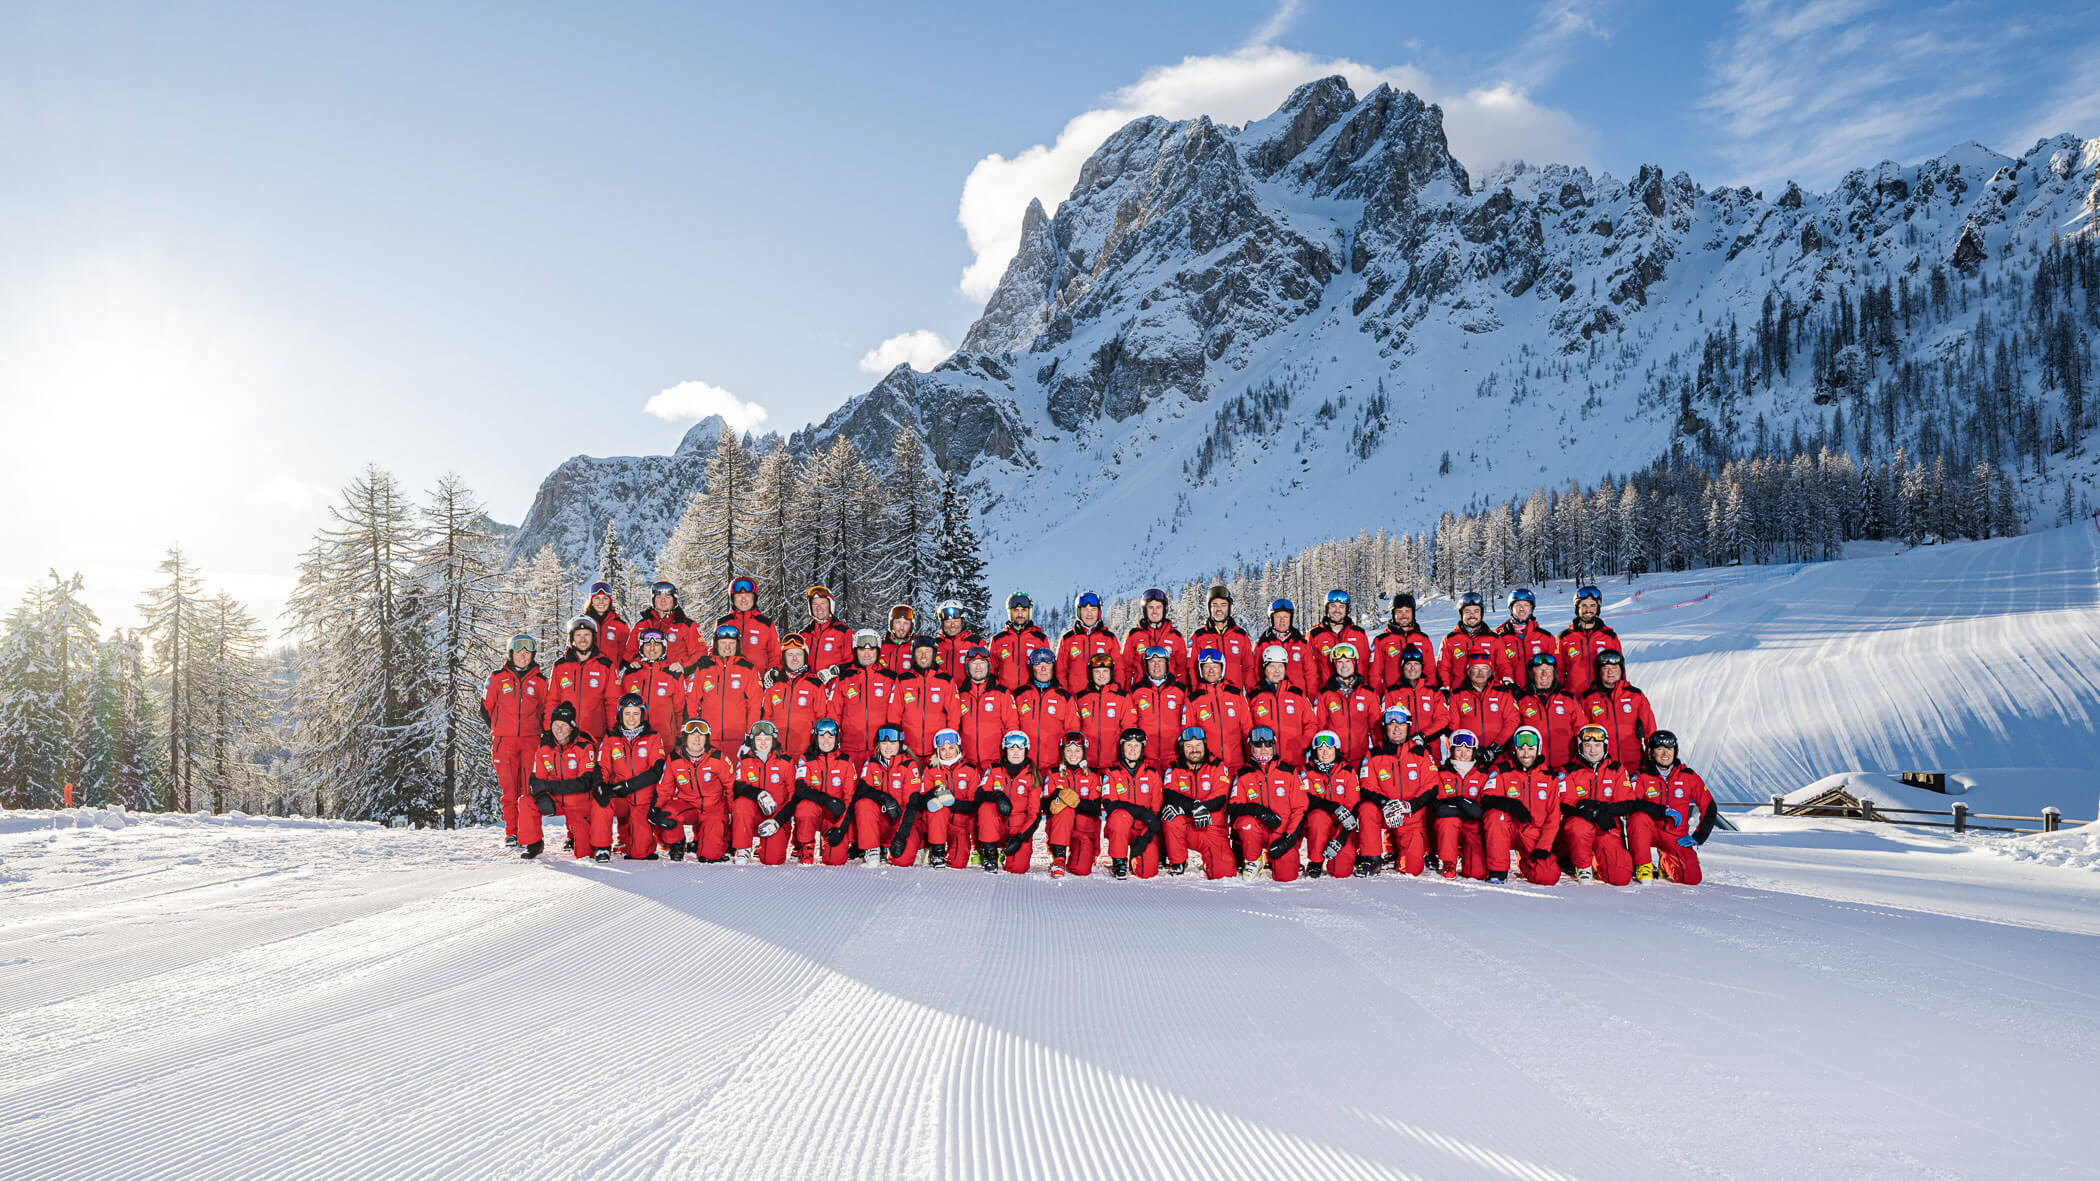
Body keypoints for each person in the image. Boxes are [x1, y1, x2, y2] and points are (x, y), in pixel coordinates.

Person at [482, 632, 548, 849]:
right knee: (509, 790)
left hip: (531, 741)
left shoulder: (540, 681)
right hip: (504, 742)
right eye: (518, 650)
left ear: (533, 655)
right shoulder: (497, 677)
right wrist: (501, 728)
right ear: (510, 654)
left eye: (527, 651)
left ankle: (528, 834)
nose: (523, 655)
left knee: (528, 790)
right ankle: (512, 832)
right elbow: (486, 707)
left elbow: (546, 709)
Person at [1555, 724, 1643, 885]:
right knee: (1578, 827)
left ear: (1605, 746)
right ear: (1580, 746)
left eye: (1597, 745)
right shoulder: (1568, 770)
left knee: (1619, 878)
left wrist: (1602, 810)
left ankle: (1599, 859)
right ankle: (1582, 866)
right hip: (1580, 823)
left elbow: (1627, 802)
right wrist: (1594, 814)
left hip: (1607, 825)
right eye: (1587, 745)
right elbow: (1566, 803)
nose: (1593, 750)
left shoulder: (1616, 769)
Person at [1356, 707, 1440, 875]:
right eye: (1391, 724)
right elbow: (1366, 784)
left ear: (1408, 726)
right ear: (1385, 727)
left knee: (1412, 869)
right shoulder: (1373, 754)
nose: (1396, 728)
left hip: (1410, 814)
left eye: (1401, 724)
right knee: (1366, 808)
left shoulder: (1421, 753)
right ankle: (1372, 858)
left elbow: (1431, 785)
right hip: (1384, 812)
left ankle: (1399, 849)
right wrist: (1385, 803)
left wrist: (1409, 805)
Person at [1227, 726, 1307, 881]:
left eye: (1268, 745)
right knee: (1246, 823)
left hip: (1281, 833)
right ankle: (1253, 859)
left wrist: (1288, 840)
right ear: (1251, 746)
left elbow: (1300, 809)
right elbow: (1233, 806)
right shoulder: (1243, 774)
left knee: (1287, 876)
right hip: (1257, 831)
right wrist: (1259, 811)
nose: (1263, 749)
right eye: (1258, 745)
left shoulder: (1289, 772)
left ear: (1274, 745)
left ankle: (1275, 859)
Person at [595, 692, 668, 862]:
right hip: (620, 797)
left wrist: (628, 785)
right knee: (600, 801)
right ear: (620, 714)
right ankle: (602, 847)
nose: (631, 718)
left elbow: (656, 771)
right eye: (627, 713)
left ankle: (637, 839)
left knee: (640, 852)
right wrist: (600, 784)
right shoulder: (611, 738)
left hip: (643, 799)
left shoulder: (653, 737)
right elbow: (602, 765)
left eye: (636, 713)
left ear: (642, 714)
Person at [1485, 726, 1562, 885]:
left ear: (1538, 749)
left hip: (1532, 832)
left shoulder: (1550, 777)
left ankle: (1525, 862)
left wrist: (1544, 847)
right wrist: (1510, 804)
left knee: (1548, 876)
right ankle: (1498, 871)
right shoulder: (1501, 770)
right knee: (1495, 816)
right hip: (1508, 828)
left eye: (1531, 748)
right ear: (1515, 750)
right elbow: (1487, 797)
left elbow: (1553, 818)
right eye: (1521, 748)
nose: (1526, 753)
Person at [520, 701, 597, 859]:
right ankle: (534, 844)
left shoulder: (584, 746)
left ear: (572, 726)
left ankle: (578, 835)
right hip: (556, 800)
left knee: (585, 854)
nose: (559, 729)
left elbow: (584, 783)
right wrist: (543, 794)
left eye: (563, 725)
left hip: (579, 803)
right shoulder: (544, 747)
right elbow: (537, 780)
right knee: (526, 801)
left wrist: (550, 786)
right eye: (555, 724)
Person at [1159, 726, 1236, 878]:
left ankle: (1212, 858)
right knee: (1171, 816)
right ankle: (1178, 861)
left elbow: (1219, 799)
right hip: (1186, 826)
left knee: (1225, 873)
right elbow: (1170, 794)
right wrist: (1194, 807)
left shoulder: (1218, 766)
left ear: (1205, 745)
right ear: (1182, 748)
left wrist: (1189, 807)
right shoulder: (1173, 767)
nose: (1194, 750)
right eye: (1189, 746)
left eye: (1198, 745)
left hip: (1210, 827)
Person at [1637, 731, 1713, 885]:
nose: (1665, 754)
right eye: (1659, 749)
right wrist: (1661, 810)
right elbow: (1631, 803)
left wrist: (1698, 837)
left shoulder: (1688, 776)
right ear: (1652, 752)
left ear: (1675, 751)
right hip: (1648, 831)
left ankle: (1665, 863)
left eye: (1669, 749)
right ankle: (1642, 864)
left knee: (1692, 878)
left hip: (1674, 835)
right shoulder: (1641, 776)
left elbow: (1709, 806)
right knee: (1638, 818)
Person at [652, 718, 732, 862]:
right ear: (685, 737)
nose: (697, 738)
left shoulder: (718, 757)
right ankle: (677, 843)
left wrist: (733, 812)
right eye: (692, 735)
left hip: (713, 809)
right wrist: (656, 810)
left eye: (701, 735)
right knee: (667, 812)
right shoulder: (674, 758)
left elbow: (731, 787)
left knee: (709, 856)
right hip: (688, 806)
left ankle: (714, 840)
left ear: (706, 739)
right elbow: (665, 789)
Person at [848, 724, 923, 867]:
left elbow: (912, 804)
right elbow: (862, 790)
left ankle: (915, 845)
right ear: (878, 744)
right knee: (863, 804)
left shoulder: (909, 765)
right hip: (881, 820)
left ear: (900, 744)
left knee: (902, 861)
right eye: (884, 743)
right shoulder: (872, 762)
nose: (888, 748)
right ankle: (872, 849)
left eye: (893, 743)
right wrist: (884, 797)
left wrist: (901, 836)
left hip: (901, 822)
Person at [789, 718, 856, 866]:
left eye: (830, 737)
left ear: (837, 738)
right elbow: (801, 788)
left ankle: (829, 844)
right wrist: (825, 799)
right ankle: (805, 845)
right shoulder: (806, 759)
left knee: (835, 860)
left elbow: (850, 798)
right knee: (805, 807)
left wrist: (841, 829)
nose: (826, 741)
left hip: (834, 816)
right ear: (815, 738)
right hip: (813, 811)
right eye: (822, 737)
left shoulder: (846, 761)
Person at [1099, 728, 1164, 879]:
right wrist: (1141, 811)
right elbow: (1110, 803)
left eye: (1137, 745)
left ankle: (1139, 856)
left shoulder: (1152, 774)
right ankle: (1119, 860)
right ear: (1122, 747)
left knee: (1147, 872)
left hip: (1143, 828)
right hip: (1120, 827)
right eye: (1129, 745)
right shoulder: (1112, 772)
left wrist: (1145, 837)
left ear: (1142, 748)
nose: (1132, 749)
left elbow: (1156, 810)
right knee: (1119, 816)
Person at [729, 720, 796, 865]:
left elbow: (794, 796)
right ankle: (743, 847)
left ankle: (765, 846)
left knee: (773, 860)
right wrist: (758, 794)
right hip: (752, 814)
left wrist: (778, 821)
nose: (763, 743)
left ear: (774, 740)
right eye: (759, 739)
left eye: (767, 739)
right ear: (752, 741)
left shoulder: (786, 762)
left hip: (775, 815)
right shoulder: (745, 760)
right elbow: (738, 786)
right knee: (741, 803)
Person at [1428, 730, 1493, 880]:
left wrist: (1457, 804)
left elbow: (1483, 809)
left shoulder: (1483, 775)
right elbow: (1440, 807)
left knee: (1476, 873)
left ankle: (1468, 856)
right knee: (1447, 821)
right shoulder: (1442, 773)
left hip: (1473, 828)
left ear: (1474, 752)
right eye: (1459, 750)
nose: (1463, 755)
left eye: (1468, 750)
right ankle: (1449, 861)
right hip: (1451, 823)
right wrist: (1467, 807)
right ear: (1451, 751)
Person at [828, 629, 901, 761]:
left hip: (881, 750)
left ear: (878, 651)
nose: (867, 654)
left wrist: (892, 743)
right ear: (855, 651)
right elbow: (833, 713)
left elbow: (896, 713)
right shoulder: (844, 678)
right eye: (862, 649)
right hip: (849, 749)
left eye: (871, 649)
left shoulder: (890, 678)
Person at [686, 625, 762, 750]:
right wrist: (694, 729)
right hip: (708, 737)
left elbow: (755, 704)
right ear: (716, 644)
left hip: (738, 739)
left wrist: (751, 734)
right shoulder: (705, 667)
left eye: (731, 643)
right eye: (723, 643)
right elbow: (692, 700)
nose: (727, 647)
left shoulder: (748, 668)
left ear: (737, 645)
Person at [976, 731, 1043, 873]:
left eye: (1020, 748)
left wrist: (1020, 837)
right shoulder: (994, 770)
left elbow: (1035, 814)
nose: (1015, 752)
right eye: (1011, 748)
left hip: (1018, 827)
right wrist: (997, 795)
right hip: (996, 824)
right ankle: (990, 854)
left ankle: (1010, 850)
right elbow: (979, 795)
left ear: (1026, 750)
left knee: (1018, 868)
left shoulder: (1033, 775)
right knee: (986, 807)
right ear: (1005, 750)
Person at [1299, 730, 1362, 879]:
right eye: (1320, 749)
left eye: (1329, 749)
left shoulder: (1347, 771)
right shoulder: (1306, 771)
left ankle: (1348, 853)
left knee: (1341, 871)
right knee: (1318, 816)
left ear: (1336, 750)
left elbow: (1353, 807)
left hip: (1341, 827)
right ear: (1315, 751)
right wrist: (1335, 807)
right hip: (1317, 826)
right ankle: (1315, 861)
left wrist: (1339, 840)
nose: (1325, 753)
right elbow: (1306, 798)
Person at [1582, 649, 1657, 771]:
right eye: (1606, 668)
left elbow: (1650, 730)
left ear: (1622, 670)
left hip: (1634, 764)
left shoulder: (1635, 696)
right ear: (1599, 671)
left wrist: (1650, 761)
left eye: (1615, 667)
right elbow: (1581, 733)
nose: (1610, 672)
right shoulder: (1587, 699)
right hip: (1603, 766)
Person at [1042, 731, 1104, 876]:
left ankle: (1078, 854)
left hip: (1084, 831)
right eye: (1068, 750)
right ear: (1063, 752)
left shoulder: (1093, 775)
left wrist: (1076, 802)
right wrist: (1056, 797)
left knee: (1081, 869)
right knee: (1063, 807)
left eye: (1077, 750)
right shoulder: (1053, 774)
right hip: (1059, 831)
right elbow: (1044, 805)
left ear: (1084, 752)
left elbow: (1096, 808)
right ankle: (1059, 857)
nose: (1073, 754)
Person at [548, 615, 620, 740]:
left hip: (595, 736)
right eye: (578, 635)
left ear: (593, 637)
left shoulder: (605, 665)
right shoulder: (561, 665)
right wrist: (549, 731)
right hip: (566, 736)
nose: (583, 639)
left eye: (587, 635)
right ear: (572, 638)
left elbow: (612, 701)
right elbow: (552, 701)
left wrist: (614, 731)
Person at [1247, 645, 1317, 773]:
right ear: (1265, 668)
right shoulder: (1254, 696)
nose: (1277, 670)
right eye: (1272, 666)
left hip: (1294, 762)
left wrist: (1302, 744)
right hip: (1264, 765)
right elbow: (1247, 727)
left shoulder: (1297, 694)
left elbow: (1311, 724)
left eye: (1280, 666)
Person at [1184, 646, 1251, 773]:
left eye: (1215, 666)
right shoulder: (1193, 700)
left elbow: (1247, 728)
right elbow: (1189, 735)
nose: (1211, 671)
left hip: (1236, 764)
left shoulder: (1235, 695)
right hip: (1209, 767)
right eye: (1206, 666)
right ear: (1201, 669)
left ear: (1222, 668)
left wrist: (1250, 760)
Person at [918, 729, 978, 869]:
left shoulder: (970, 770)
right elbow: (921, 799)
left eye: (951, 748)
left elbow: (974, 804)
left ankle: (952, 849)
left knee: (958, 863)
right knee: (937, 807)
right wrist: (934, 794)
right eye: (942, 749)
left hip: (959, 824)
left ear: (957, 747)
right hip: (936, 824)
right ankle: (937, 851)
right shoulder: (931, 769)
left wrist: (953, 804)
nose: (947, 753)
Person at [893, 637, 961, 755]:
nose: (923, 656)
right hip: (909, 749)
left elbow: (954, 715)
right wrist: (898, 744)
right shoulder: (903, 680)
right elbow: (894, 714)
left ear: (934, 654)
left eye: (927, 651)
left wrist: (947, 745)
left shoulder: (945, 680)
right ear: (913, 655)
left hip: (937, 749)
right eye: (919, 651)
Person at [1446, 651, 1518, 762]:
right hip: (1469, 756)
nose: (1480, 672)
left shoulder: (1502, 693)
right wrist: (1471, 750)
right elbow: (1452, 727)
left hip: (1499, 755)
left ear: (1490, 672)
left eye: (1484, 668)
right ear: (1468, 671)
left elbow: (1512, 721)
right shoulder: (1457, 695)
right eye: (1475, 668)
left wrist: (1495, 747)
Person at [1315, 642, 1380, 765]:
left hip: (1362, 759)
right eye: (1339, 662)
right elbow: (1320, 728)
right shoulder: (1325, 694)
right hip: (1335, 761)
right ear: (1334, 665)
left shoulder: (1368, 693)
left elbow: (1376, 729)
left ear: (1355, 663)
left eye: (1348, 661)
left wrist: (1379, 753)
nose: (1344, 666)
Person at [1512, 652, 1581, 769]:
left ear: (1554, 673)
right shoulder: (1521, 699)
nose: (1544, 673)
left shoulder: (1567, 698)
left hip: (1565, 766)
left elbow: (1580, 729)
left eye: (1548, 669)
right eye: (1539, 669)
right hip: (1533, 769)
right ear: (1532, 673)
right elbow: (1513, 732)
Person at [762, 635, 827, 758]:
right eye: (790, 654)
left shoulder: (815, 684)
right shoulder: (774, 684)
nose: (795, 658)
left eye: (798, 654)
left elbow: (822, 718)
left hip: (805, 753)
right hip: (777, 754)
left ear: (805, 657)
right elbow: (766, 717)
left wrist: (816, 747)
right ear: (784, 658)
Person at [1125, 645, 1188, 771]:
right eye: (1152, 662)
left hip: (1174, 756)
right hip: (1146, 756)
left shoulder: (1180, 689)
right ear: (1146, 665)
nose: (1156, 666)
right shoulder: (1136, 691)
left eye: (1160, 661)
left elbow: (1187, 722)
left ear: (1167, 663)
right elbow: (1130, 723)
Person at [954, 646, 1018, 768]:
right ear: (967, 667)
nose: (978, 667)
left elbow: (1012, 726)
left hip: (995, 763)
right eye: (974, 663)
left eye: (982, 662)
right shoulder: (960, 694)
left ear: (988, 666)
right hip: (966, 764)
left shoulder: (1002, 693)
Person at [1011, 647, 1075, 767]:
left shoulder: (1065, 697)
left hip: (1054, 765)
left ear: (1053, 667)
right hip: (1025, 765)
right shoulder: (1019, 695)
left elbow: (1072, 732)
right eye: (1038, 664)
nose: (1043, 669)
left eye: (1048, 664)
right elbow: (1011, 727)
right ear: (1031, 668)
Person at [619, 628, 687, 738]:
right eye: (647, 644)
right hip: (635, 741)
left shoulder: (673, 674)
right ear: (641, 647)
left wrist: (680, 737)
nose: (652, 648)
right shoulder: (630, 674)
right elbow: (620, 708)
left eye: (657, 644)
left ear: (663, 647)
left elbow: (680, 710)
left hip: (665, 740)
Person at [1185, 584, 1257, 689]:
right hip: (1208, 699)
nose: (1219, 609)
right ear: (1209, 608)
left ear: (1229, 607)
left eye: (1223, 604)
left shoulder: (1240, 636)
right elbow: (1190, 667)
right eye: (1215, 605)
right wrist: (1195, 693)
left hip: (1234, 697)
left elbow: (1249, 668)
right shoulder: (1198, 637)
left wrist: (1252, 694)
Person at [1557, 584, 1621, 697]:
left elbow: (1619, 671)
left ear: (1598, 608)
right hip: (1575, 702)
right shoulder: (1564, 638)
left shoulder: (1610, 637)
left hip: (1602, 701)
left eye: (1592, 605)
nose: (1588, 610)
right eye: (1584, 606)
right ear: (1577, 608)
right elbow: (1558, 673)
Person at [1377, 646, 1447, 748]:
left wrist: (1423, 736)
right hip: (1401, 749)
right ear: (1402, 667)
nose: (1412, 668)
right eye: (1408, 664)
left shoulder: (1433, 692)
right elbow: (1385, 721)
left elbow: (1443, 720)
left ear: (1422, 667)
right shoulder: (1392, 692)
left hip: (1430, 748)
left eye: (1416, 664)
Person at [627, 580, 703, 673]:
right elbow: (630, 652)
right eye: (659, 597)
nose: (663, 600)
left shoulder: (687, 626)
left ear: (674, 600)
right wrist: (635, 661)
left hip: (674, 679)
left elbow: (700, 653)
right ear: (653, 600)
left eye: (667, 597)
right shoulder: (642, 625)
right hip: (646, 679)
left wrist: (683, 665)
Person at [1071, 653, 1129, 771]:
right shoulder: (1081, 698)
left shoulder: (1122, 697)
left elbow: (1128, 729)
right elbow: (1074, 728)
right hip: (1086, 763)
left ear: (1111, 673)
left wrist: (1123, 758)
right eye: (1097, 671)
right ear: (1091, 674)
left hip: (1113, 763)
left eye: (1105, 671)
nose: (1101, 675)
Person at [1369, 592, 1438, 691]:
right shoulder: (1382, 641)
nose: (1403, 615)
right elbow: (1375, 674)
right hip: (1393, 697)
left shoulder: (1423, 639)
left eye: (1407, 611)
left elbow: (1430, 670)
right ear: (1393, 614)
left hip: (1418, 698)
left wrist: (1432, 695)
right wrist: (1376, 700)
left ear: (1413, 613)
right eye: (1399, 611)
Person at [1120, 588, 1187, 687]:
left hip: (1169, 696)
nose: (1154, 612)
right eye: (1151, 607)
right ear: (1145, 610)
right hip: (1141, 696)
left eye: (1158, 607)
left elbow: (1182, 671)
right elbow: (1125, 669)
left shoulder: (1175, 637)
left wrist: (1181, 694)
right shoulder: (1134, 636)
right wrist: (1125, 696)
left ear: (1164, 609)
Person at [1307, 590, 1372, 689]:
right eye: (1333, 606)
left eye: (1341, 606)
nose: (1337, 610)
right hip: (1326, 694)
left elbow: (1366, 666)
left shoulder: (1358, 634)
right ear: (1327, 608)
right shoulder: (1315, 635)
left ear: (1347, 609)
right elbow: (1309, 671)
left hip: (1355, 694)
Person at [1056, 593, 1119, 694]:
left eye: (1093, 610)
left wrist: (1115, 692)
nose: (1089, 614)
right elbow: (1060, 673)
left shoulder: (1109, 638)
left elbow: (1119, 669)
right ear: (1078, 612)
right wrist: (1066, 697)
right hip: (1076, 700)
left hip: (1103, 701)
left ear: (1098, 612)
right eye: (1085, 609)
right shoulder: (1068, 639)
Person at [717, 576, 782, 673]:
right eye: (739, 596)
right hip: (729, 682)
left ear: (754, 597)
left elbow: (775, 655)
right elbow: (715, 652)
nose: (743, 599)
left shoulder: (766, 624)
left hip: (758, 682)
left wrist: (772, 673)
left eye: (747, 595)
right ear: (732, 598)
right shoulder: (723, 622)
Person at [1493, 589, 1553, 688]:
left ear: (1531, 608)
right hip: (1510, 696)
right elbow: (1494, 670)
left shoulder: (1545, 637)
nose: (1522, 609)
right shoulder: (1500, 638)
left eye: (1526, 605)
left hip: (1537, 696)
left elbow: (1556, 669)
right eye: (1517, 605)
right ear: (1511, 608)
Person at [988, 593, 1049, 691]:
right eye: (1016, 610)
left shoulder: (1040, 639)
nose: (1020, 614)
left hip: (1030, 696)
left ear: (1029, 612)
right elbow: (990, 672)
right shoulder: (997, 640)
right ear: (1010, 612)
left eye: (1024, 610)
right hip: (1005, 697)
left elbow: (1047, 670)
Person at [1256, 599, 1316, 694]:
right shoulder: (1262, 644)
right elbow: (1255, 673)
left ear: (1291, 619)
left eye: (1286, 617)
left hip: (1298, 698)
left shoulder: (1301, 643)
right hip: (1271, 699)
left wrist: (1310, 699)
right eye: (1278, 617)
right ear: (1272, 619)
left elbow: (1311, 674)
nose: (1282, 621)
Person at [1438, 592, 1497, 689]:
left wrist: (1507, 683)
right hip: (1458, 694)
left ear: (1481, 613)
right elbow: (1443, 668)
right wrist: (1445, 688)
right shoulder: (1450, 640)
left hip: (1488, 696)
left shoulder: (1494, 639)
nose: (1472, 615)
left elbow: (1503, 666)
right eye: (1467, 612)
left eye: (1476, 611)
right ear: (1461, 614)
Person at [799, 585, 856, 677]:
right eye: (815, 604)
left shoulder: (844, 632)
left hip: (834, 687)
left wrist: (836, 671)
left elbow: (852, 663)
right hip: (809, 688)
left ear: (830, 605)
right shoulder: (804, 635)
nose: (819, 608)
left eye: (823, 603)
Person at [582, 580, 630, 674]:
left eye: (605, 598)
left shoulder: (620, 625)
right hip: (585, 676)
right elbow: (571, 648)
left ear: (610, 601)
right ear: (591, 601)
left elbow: (627, 652)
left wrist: (617, 666)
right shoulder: (582, 623)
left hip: (610, 677)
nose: (601, 602)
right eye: (597, 598)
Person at [933, 600, 980, 682]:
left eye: (956, 621)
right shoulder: (934, 645)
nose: (952, 625)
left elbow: (987, 672)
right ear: (941, 623)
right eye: (948, 622)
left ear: (962, 621)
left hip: (967, 693)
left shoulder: (975, 642)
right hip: (941, 693)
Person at [878, 604, 918, 673]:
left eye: (906, 623)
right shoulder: (880, 646)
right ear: (891, 624)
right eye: (898, 622)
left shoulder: (917, 647)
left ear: (911, 626)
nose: (901, 628)